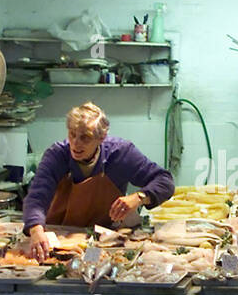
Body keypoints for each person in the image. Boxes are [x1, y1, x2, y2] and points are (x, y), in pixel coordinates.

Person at [22, 103, 174, 261]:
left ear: (101, 137)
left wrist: (139, 197)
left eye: (85, 137)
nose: (76, 143)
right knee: (60, 272)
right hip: (61, 240)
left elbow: (165, 181)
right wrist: (36, 230)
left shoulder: (120, 153)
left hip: (103, 241)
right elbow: (36, 198)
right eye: (72, 134)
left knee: (91, 270)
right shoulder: (57, 155)